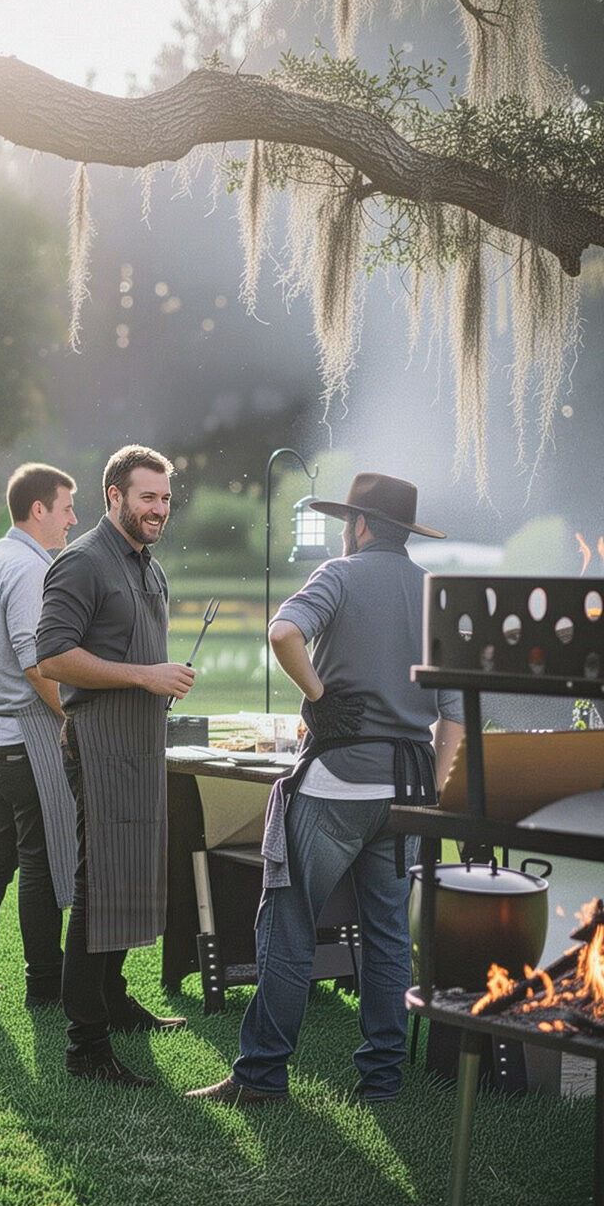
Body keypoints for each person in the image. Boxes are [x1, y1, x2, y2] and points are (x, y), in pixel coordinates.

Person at [186, 472, 465, 1106]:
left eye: (348, 523)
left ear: (360, 525)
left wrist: (320, 695)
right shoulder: (436, 594)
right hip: (406, 793)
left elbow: (283, 633)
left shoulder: (339, 576)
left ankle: (260, 1078)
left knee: (289, 926)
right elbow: (455, 713)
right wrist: (434, 793)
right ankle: (383, 1082)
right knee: (390, 936)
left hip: (336, 785)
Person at [35, 444, 195, 1087]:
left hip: (143, 744)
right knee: (101, 884)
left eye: (164, 498)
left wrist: (163, 680)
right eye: (146, 497)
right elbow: (52, 658)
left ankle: (115, 999)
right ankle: (86, 1046)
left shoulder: (146, 564)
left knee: (132, 873)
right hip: (99, 742)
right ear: (114, 497)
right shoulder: (82, 562)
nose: (159, 508)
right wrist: (145, 676)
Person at [0, 463, 79, 1007]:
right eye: (67, 507)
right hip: (27, 736)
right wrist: (72, 721)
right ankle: (46, 984)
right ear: (39, 509)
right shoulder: (28, 569)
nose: (74, 519)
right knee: (41, 861)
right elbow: (37, 663)